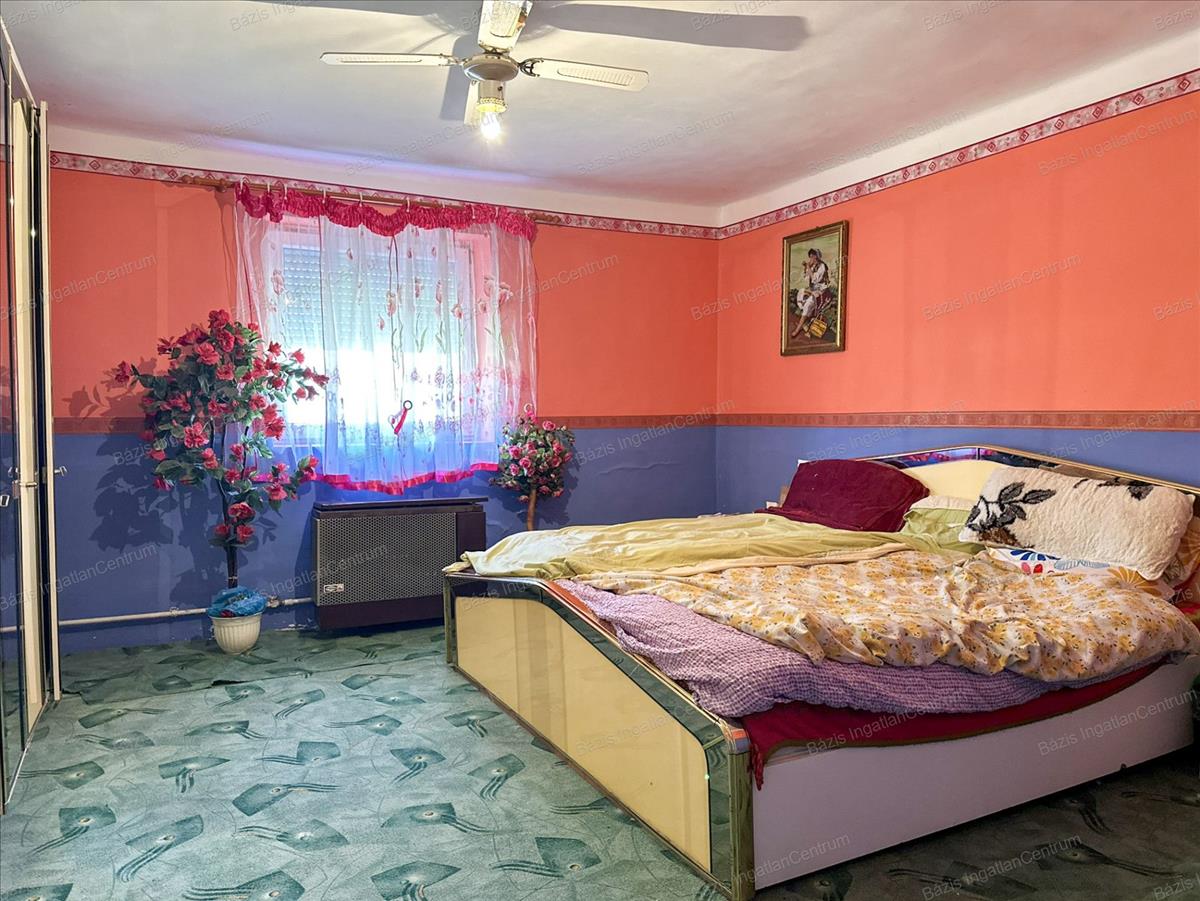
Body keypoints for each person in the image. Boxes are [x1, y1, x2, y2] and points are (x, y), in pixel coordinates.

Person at [791, 248, 834, 338]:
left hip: (822, 292)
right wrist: (806, 267)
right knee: (801, 296)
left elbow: (815, 279)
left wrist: (808, 267)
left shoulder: (822, 266)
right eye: (810, 256)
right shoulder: (813, 266)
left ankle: (797, 329)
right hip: (814, 291)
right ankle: (805, 323)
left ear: (816, 257)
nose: (810, 258)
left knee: (808, 305)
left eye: (812, 256)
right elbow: (806, 277)